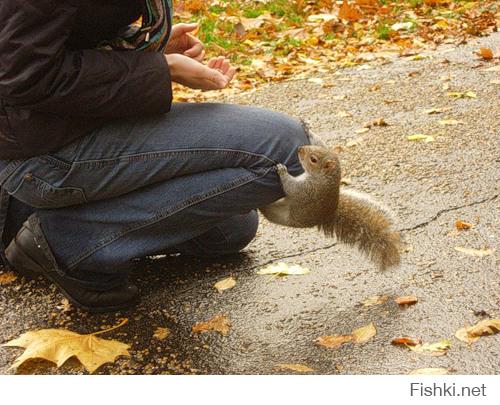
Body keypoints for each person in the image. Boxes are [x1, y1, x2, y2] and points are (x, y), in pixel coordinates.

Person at [0, 0, 311, 312]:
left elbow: (61, 29)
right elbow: (26, 75)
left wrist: (143, 45)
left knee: (233, 229)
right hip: (37, 154)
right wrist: (163, 68)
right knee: (285, 150)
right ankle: (66, 242)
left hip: (61, 129)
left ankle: (58, 220)